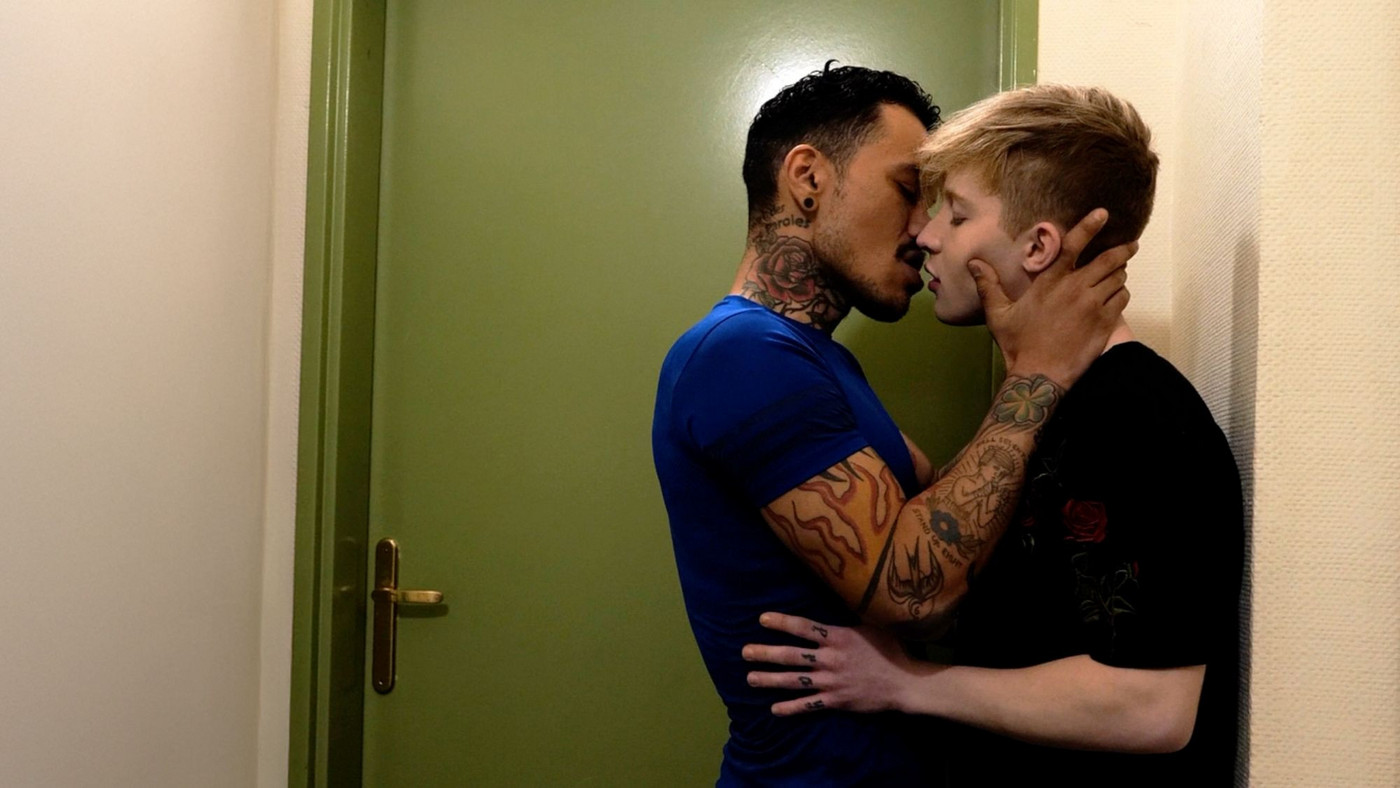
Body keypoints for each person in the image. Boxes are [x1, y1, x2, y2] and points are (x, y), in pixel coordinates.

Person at [742, 84, 1245, 787]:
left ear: (1037, 245)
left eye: (956, 212)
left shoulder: (1135, 413)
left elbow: (1153, 708)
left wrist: (905, 684)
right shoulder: (1043, 407)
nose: (926, 235)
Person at [652, 64, 1134, 786]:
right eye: (908, 191)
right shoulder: (741, 355)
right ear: (807, 178)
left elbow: (938, 534)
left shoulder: (814, 360)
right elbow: (916, 591)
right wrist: (1040, 370)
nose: (922, 231)